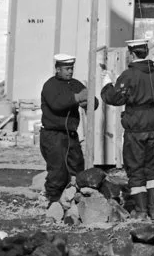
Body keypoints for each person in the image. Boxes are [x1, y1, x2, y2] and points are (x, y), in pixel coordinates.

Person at [100, 38, 154, 219]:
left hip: (136, 124)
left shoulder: (129, 74)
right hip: (153, 122)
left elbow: (114, 98)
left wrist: (107, 82)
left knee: (135, 168)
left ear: (132, 53)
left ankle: (141, 211)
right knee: (151, 168)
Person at [39, 52, 98, 208]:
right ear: (57, 69)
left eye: (71, 68)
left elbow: (93, 102)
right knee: (58, 171)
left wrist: (89, 102)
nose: (70, 71)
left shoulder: (75, 84)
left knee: (78, 167)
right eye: (66, 68)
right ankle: (53, 202)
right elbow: (57, 104)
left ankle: (75, 201)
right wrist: (78, 98)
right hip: (53, 135)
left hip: (70, 135)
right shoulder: (50, 85)